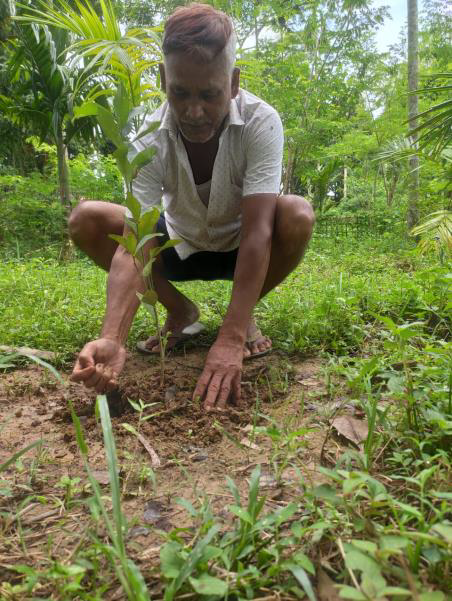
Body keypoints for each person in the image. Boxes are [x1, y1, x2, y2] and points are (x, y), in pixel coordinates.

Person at [69, 3, 314, 411]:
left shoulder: (261, 122)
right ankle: (182, 311)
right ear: (164, 78)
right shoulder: (148, 138)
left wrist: (232, 336)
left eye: (209, 94)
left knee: (297, 214)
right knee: (88, 219)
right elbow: (136, 245)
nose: (193, 111)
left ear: (233, 84)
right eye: (179, 92)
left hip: (240, 249)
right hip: (177, 245)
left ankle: (241, 315)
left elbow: (259, 232)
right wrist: (113, 336)